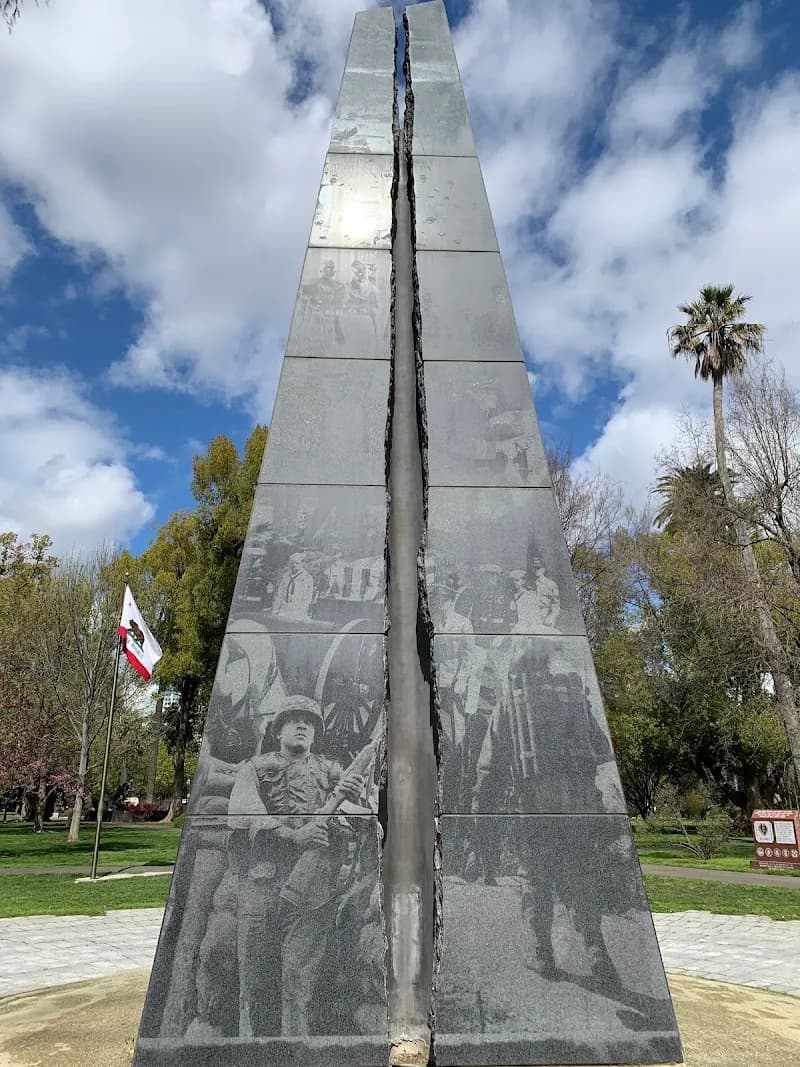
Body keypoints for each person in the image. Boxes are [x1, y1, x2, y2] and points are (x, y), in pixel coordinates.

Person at [228, 696, 365, 1037]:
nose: (302, 725)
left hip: (312, 890)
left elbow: (360, 822)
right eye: (293, 719)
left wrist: (356, 798)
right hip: (262, 882)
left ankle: (295, 1050)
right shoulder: (254, 768)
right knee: (253, 982)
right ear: (278, 731)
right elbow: (245, 814)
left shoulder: (333, 772)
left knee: (297, 981)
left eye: (309, 721)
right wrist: (293, 835)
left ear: (316, 733)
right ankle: (250, 1053)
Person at [272, 553, 315, 621]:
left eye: (297, 563)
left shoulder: (307, 578)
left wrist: (301, 611)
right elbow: (279, 595)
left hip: (298, 611)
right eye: (292, 563)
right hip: (284, 610)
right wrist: (275, 610)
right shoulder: (285, 576)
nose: (294, 565)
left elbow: (308, 597)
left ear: (302, 564)